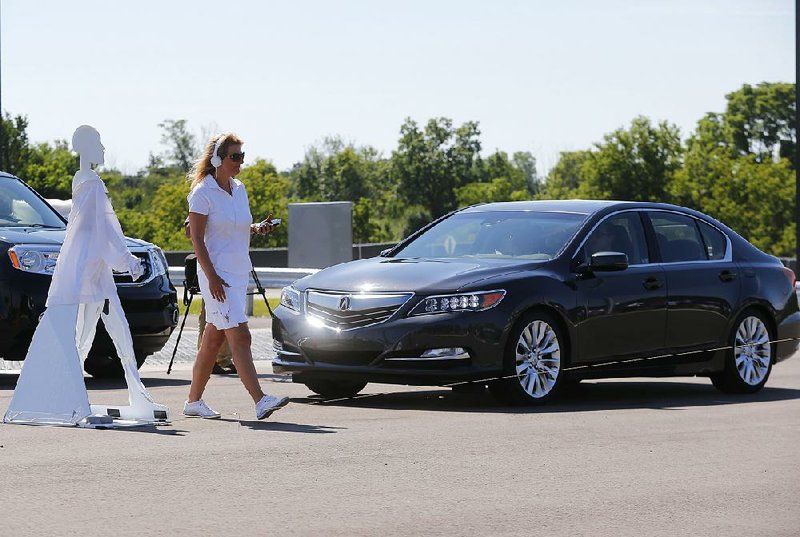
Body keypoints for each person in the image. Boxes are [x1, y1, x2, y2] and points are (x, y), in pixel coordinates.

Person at [184, 133, 288, 420]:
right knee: (240, 336)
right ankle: (260, 400)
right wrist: (212, 277)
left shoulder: (239, 189)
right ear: (218, 159)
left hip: (238, 272)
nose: (240, 161)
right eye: (235, 156)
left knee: (213, 340)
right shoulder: (202, 193)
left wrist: (257, 228)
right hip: (218, 277)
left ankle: (193, 401)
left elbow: (235, 225)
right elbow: (196, 239)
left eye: (242, 156)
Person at [184, 217, 236, 375]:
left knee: (232, 313)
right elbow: (189, 231)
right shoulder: (204, 197)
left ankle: (224, 358)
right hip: (212, 265)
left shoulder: (234, 198)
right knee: (211, 315)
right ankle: (208, 359)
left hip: (232, 263)